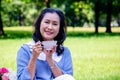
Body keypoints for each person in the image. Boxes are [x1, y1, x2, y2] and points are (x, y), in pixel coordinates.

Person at [17, 8, 74, 80]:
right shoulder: (25, 49)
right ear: (39, 24)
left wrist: (49, 59)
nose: (50, 27)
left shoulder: (65, 51)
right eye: (47, 22)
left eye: (55, 24)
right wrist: (34, 58)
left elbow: (67, 78)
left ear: (59, 29)